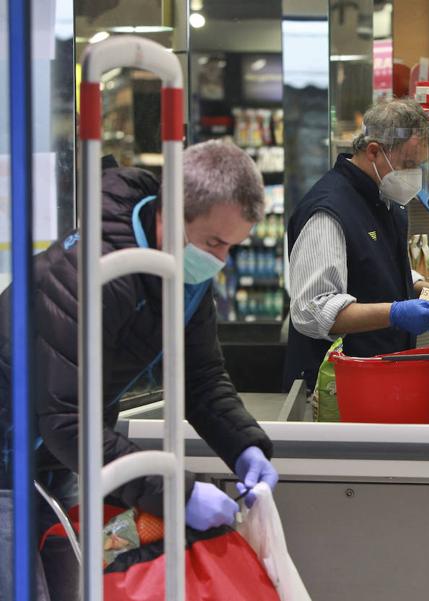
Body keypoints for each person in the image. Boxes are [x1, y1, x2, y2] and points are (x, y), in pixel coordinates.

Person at [0, 141, 280, 600]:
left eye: (232, 247)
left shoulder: (184, 274)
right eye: (213, 243)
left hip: (56, 466)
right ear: (169, 214)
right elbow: (66, 419)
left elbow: (201, 377)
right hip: (10, 465)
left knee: (76, 586)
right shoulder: (91, 270)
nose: (220, 261)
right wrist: (175, 494)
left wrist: (245, 446)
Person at [283, 98, 429, 391]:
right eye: (408, 164)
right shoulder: (328, 211)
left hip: (379, 381)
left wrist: (427, 290)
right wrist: (395, 313)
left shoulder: (384, 200)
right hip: (334, 391)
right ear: (373, 152)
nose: (413, 175)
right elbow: (311, 310)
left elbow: (377, 264)